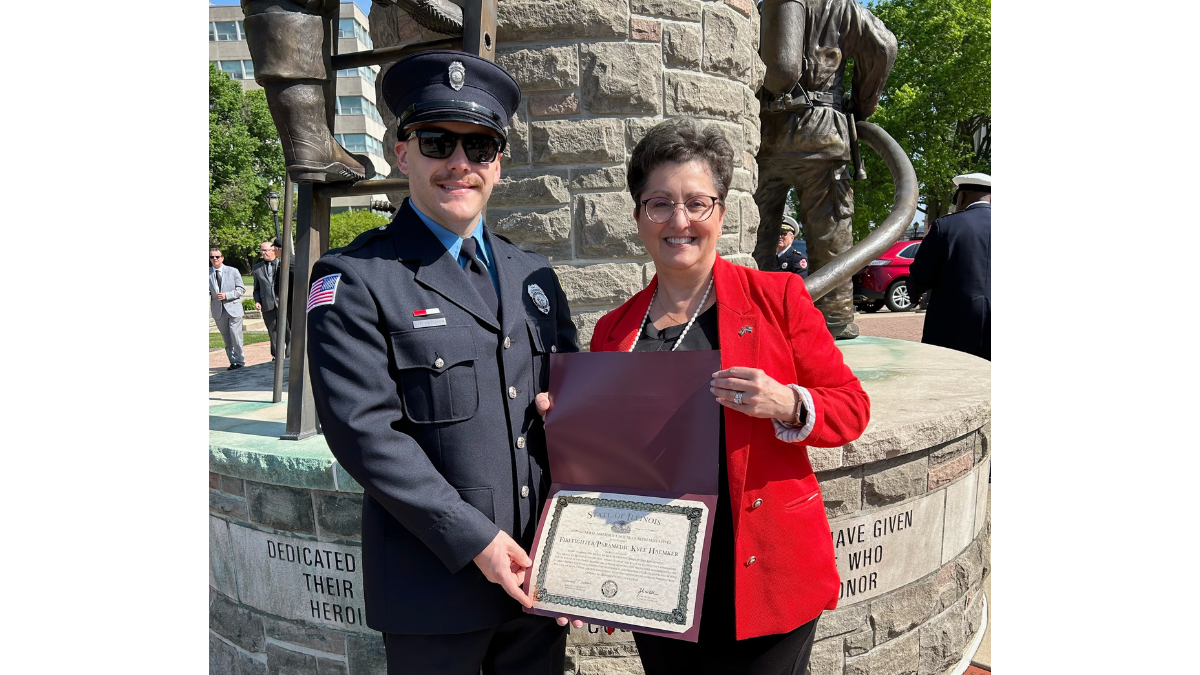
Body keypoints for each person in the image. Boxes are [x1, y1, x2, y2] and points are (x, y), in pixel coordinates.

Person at [543, 119, 870, 675]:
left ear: (720, 211)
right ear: (638, 215)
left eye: (698, 203)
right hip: (661, 576)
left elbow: (851, 407)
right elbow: (611, 466)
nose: (679, 221)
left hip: (766, 567)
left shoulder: (778, 297)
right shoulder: (615, 330)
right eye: (660, 203)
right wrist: (570, 430)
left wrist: (788, 403)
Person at [305, 50, 581, 675]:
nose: (459, 163)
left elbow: (569, 397)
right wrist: (477, 541)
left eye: (480, 147)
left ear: (499, 164)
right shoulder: (355, 278)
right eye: (436, 141)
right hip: (433, 586)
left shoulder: (531, 274)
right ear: (401, 152)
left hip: (537, 574)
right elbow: (364, 434)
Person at [754, 0, 897, 339]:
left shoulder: (764, 7)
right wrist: (861, 104)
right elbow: (885, 45)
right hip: (823, 137)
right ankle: (833, 320)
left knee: (757, 235)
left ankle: (752, 316)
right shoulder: (842, 6)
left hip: (766, 135)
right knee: (829, 233)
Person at [907, 172, 991, 360]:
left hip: (953, 323)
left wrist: (915, 291)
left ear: (961, 196)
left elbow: (921, 274)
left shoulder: (945, 226)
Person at [251, 239, 290, 359]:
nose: (263, 253)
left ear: (273, 250)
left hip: (284, 304)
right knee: (273, 333)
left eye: (265, 250)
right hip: (267, 305)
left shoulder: (283, 264)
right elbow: (256, 288)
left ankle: (289, 356)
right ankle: (276, 357)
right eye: (262, 250)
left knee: (288, 331)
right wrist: (257, 301)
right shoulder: (257, 268)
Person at [210, 247, 246, 370]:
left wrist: (227, 295)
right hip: (218, 310)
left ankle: (240, 361)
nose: (214, 259)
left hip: (233, 308)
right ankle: (232, 361)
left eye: (217, 256)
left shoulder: (233, 271)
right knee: (226, 337)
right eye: (212, 257)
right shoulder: (207, 273)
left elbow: (241, 289)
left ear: (222, 258)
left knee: (235, 335)